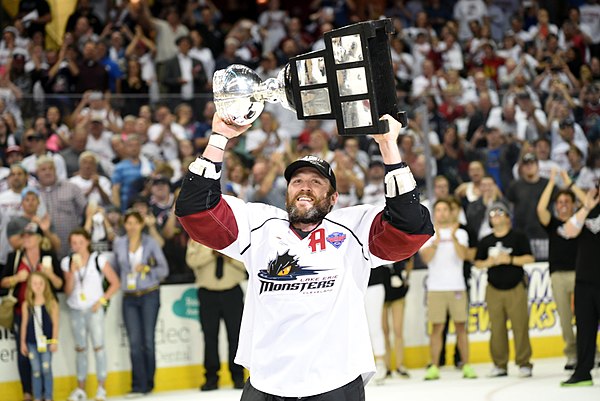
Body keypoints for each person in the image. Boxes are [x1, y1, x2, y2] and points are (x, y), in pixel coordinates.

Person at [175, 113, 433, 400]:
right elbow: (193, 209)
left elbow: (411, 226)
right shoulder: (258, 226)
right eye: (297, 181)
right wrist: (219, 138)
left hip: (334, 382)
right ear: (287, 192)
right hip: (266, 384)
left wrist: (388, 147)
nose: (305, 187)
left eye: (316, 182)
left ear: (333, 198)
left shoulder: (354, 229)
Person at [0, 222, 63, 401]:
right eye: (24, 236)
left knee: (45, 359)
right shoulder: (15, 256)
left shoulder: (48, 256)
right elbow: (2, 282)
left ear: (38, 238)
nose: (26, 239)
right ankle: (28, 393)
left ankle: (46, 395)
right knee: (24, 354)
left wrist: (49, 274)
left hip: (46, 311)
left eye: (30, 236)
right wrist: (16, 278)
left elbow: (60, 285)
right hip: (23, 310)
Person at [474, 202, 535, 378]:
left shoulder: (519, 237)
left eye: (500, 212)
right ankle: (499, 364)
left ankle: (524, 363)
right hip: (493, 289)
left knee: (520, 327)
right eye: (492, 214)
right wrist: (489, 262)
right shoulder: (486, 241)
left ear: (508, 217)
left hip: (516, 287)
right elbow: (478, 262)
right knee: (497, 329)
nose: (496, 216)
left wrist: (510, 259)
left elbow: (530, 258)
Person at [112, 209, 168, 397]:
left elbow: (163, 269)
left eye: (135, 223)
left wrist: (147, 267)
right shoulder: (119, 243)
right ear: (124, 225)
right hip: (129, 296)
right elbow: (115, 267)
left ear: (141, 224)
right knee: (134, 342)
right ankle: (138, 384)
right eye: (128, 223)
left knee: (148, 341)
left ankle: (149, 383)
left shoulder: (150, 243)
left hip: (149, 293)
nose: (132, 226)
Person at [419, 199, 477, 380]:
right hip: (436, 287)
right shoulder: (427, 234)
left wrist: (452, 239)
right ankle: (434, 366)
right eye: (439, 210)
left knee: (461, 327)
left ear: (451, 212)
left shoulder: (460, 233)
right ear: (434, 213)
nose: (442, 213)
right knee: (437, 328)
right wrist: (436, 242)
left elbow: (464, 256)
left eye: (445, 209)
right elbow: (426, 258)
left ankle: (466, 365)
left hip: (457, 286)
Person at [62, 228, 120, 401]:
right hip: (76, 310)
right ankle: (81, 389)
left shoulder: (98, 259)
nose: (77, 246)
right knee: (80, 349)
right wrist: (72, 272)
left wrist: (101, 301)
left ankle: (101, 387)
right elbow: (67, 291)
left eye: (80, 242)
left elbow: (115, 283)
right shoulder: (67, 261)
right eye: (73, 243)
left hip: (94, 310)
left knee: (99, 347)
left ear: (87, 242)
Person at [536, 169, 582, 370]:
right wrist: (552, 182)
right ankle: (572, 354)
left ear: (573, 206)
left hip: (581, 275)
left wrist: (569, 184)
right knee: (565, 319)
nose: (563, 206)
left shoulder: (581, 222)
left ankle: (590, 351)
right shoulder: (553, 224)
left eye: (567, 202)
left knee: (585, 317)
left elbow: (591, 204)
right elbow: (540, 209)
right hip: (558, 276)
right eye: (560, 202)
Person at [185, 240, 246, 391]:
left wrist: (229, 257)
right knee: (210, 336)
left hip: (232, 292)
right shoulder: (198, 237)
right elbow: (191, 261)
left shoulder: (236, 237)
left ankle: (238, 376)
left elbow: (248, 263)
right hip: (207, 293)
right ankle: (211, 378)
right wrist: (212, 253)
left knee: (235, 335)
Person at [560, 186, 600, 387]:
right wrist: (586, 208)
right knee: (585, 328)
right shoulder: (587, 211)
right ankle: (583, 372)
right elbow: (568, 231)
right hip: (584, 280)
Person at [19, 272, 59, 401]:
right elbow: (24, 325)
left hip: (46, 343)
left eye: (41, 283)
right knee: (36, 370)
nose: (38, 286)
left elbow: (56, 324)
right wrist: (22, 343)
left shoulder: (51, 303)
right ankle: (37, 396)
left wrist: (54, 341)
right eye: (35, 283)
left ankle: (48, 396)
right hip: (32, 343)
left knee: (46, 368)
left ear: (45, 285)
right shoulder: (27, 304)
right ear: (30, 285)